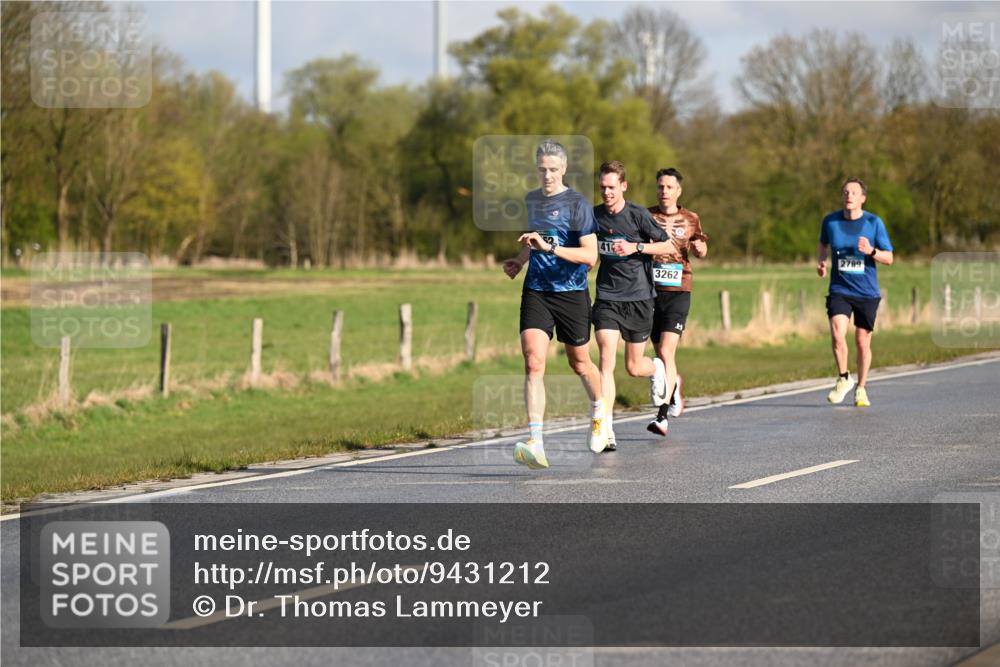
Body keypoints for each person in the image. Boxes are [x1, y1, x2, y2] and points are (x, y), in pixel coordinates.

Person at [502, 140, 606, 469]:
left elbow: (591, 256)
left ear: (563, 170)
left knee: (580, 362)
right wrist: (521, 261)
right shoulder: (532, 200)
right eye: (541, 169)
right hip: (537, 290)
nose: (547, 175)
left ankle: (600, 410)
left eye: (553, 170)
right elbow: (535, 239)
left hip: (571, 292)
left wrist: (551, 249)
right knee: (534, 362)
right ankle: (535, 440)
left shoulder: (578, 205)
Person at [591, 161, 676, 451]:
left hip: (639, 299)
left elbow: (668, 246)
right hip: (607, 298)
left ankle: (656, 369)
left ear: (623, 186)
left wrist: (637, 247)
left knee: (633, 367)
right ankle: (607, 431)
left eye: (612, 187)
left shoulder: (638, 215)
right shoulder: (594, 216)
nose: (607, 192)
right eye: (603, 187)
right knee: (606, 362)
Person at [816, 177, 894, 407]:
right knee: (837, 332)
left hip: (867, 292)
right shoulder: (830, 221)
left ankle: (861, 388)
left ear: (862, 198)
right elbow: (823, 244)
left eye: (854, 192)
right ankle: (843, 378)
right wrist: (822, 262)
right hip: (840, 288)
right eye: (845, 192)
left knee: (862, 341)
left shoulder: (873, 223)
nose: (849, 196)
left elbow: (889, 258)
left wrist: (871, 251)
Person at [646, 167, 708, 436]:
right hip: (648, 292)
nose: (664, 191)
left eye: (669, 187)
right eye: (660, 186)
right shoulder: (645, 216)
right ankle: (674, 384)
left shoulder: (691, 218)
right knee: (660, 352)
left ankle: (661, 417)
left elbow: (701, 247)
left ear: (678, 191)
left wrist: (700, 249)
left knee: (667, 351)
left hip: (679, 291)